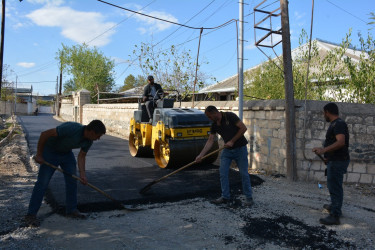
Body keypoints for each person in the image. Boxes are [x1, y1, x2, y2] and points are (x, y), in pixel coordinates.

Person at [25, 120, 106, 227]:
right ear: (91, 132)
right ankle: (31, 214)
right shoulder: (72, 128)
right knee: (42, 183)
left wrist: (82, 175)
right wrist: (39, 154)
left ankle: (71, 210)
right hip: (50, 151)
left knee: (72, 181)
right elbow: (44, 134)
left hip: (66, 153)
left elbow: (81, 156)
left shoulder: (88, 141)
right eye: (98, 136)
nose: (98, 139)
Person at [195, 105, 253, 206]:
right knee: (223, 173)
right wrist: (200, 155)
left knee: (244, 174)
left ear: (214, 113)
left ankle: (249, 198)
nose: (209, 119)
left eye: (209, 116)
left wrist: (232, 141)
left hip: (240, 149)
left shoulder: (230, 116)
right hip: (227, 151)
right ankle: (225, 197)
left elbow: (243, 128)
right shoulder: (214, 125)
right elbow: (210, 140)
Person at [312, 102, 350, 225]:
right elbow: (334, 144)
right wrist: (327, 156)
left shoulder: (338, 124)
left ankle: (335, 215)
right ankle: (334, 206)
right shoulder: (335, 124)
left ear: (327, 112)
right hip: (335, 160)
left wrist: (323, 150)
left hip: (338, 161)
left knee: (335, 187)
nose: (324, 115)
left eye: (324, 113)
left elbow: (340, 142)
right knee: (333, 185)